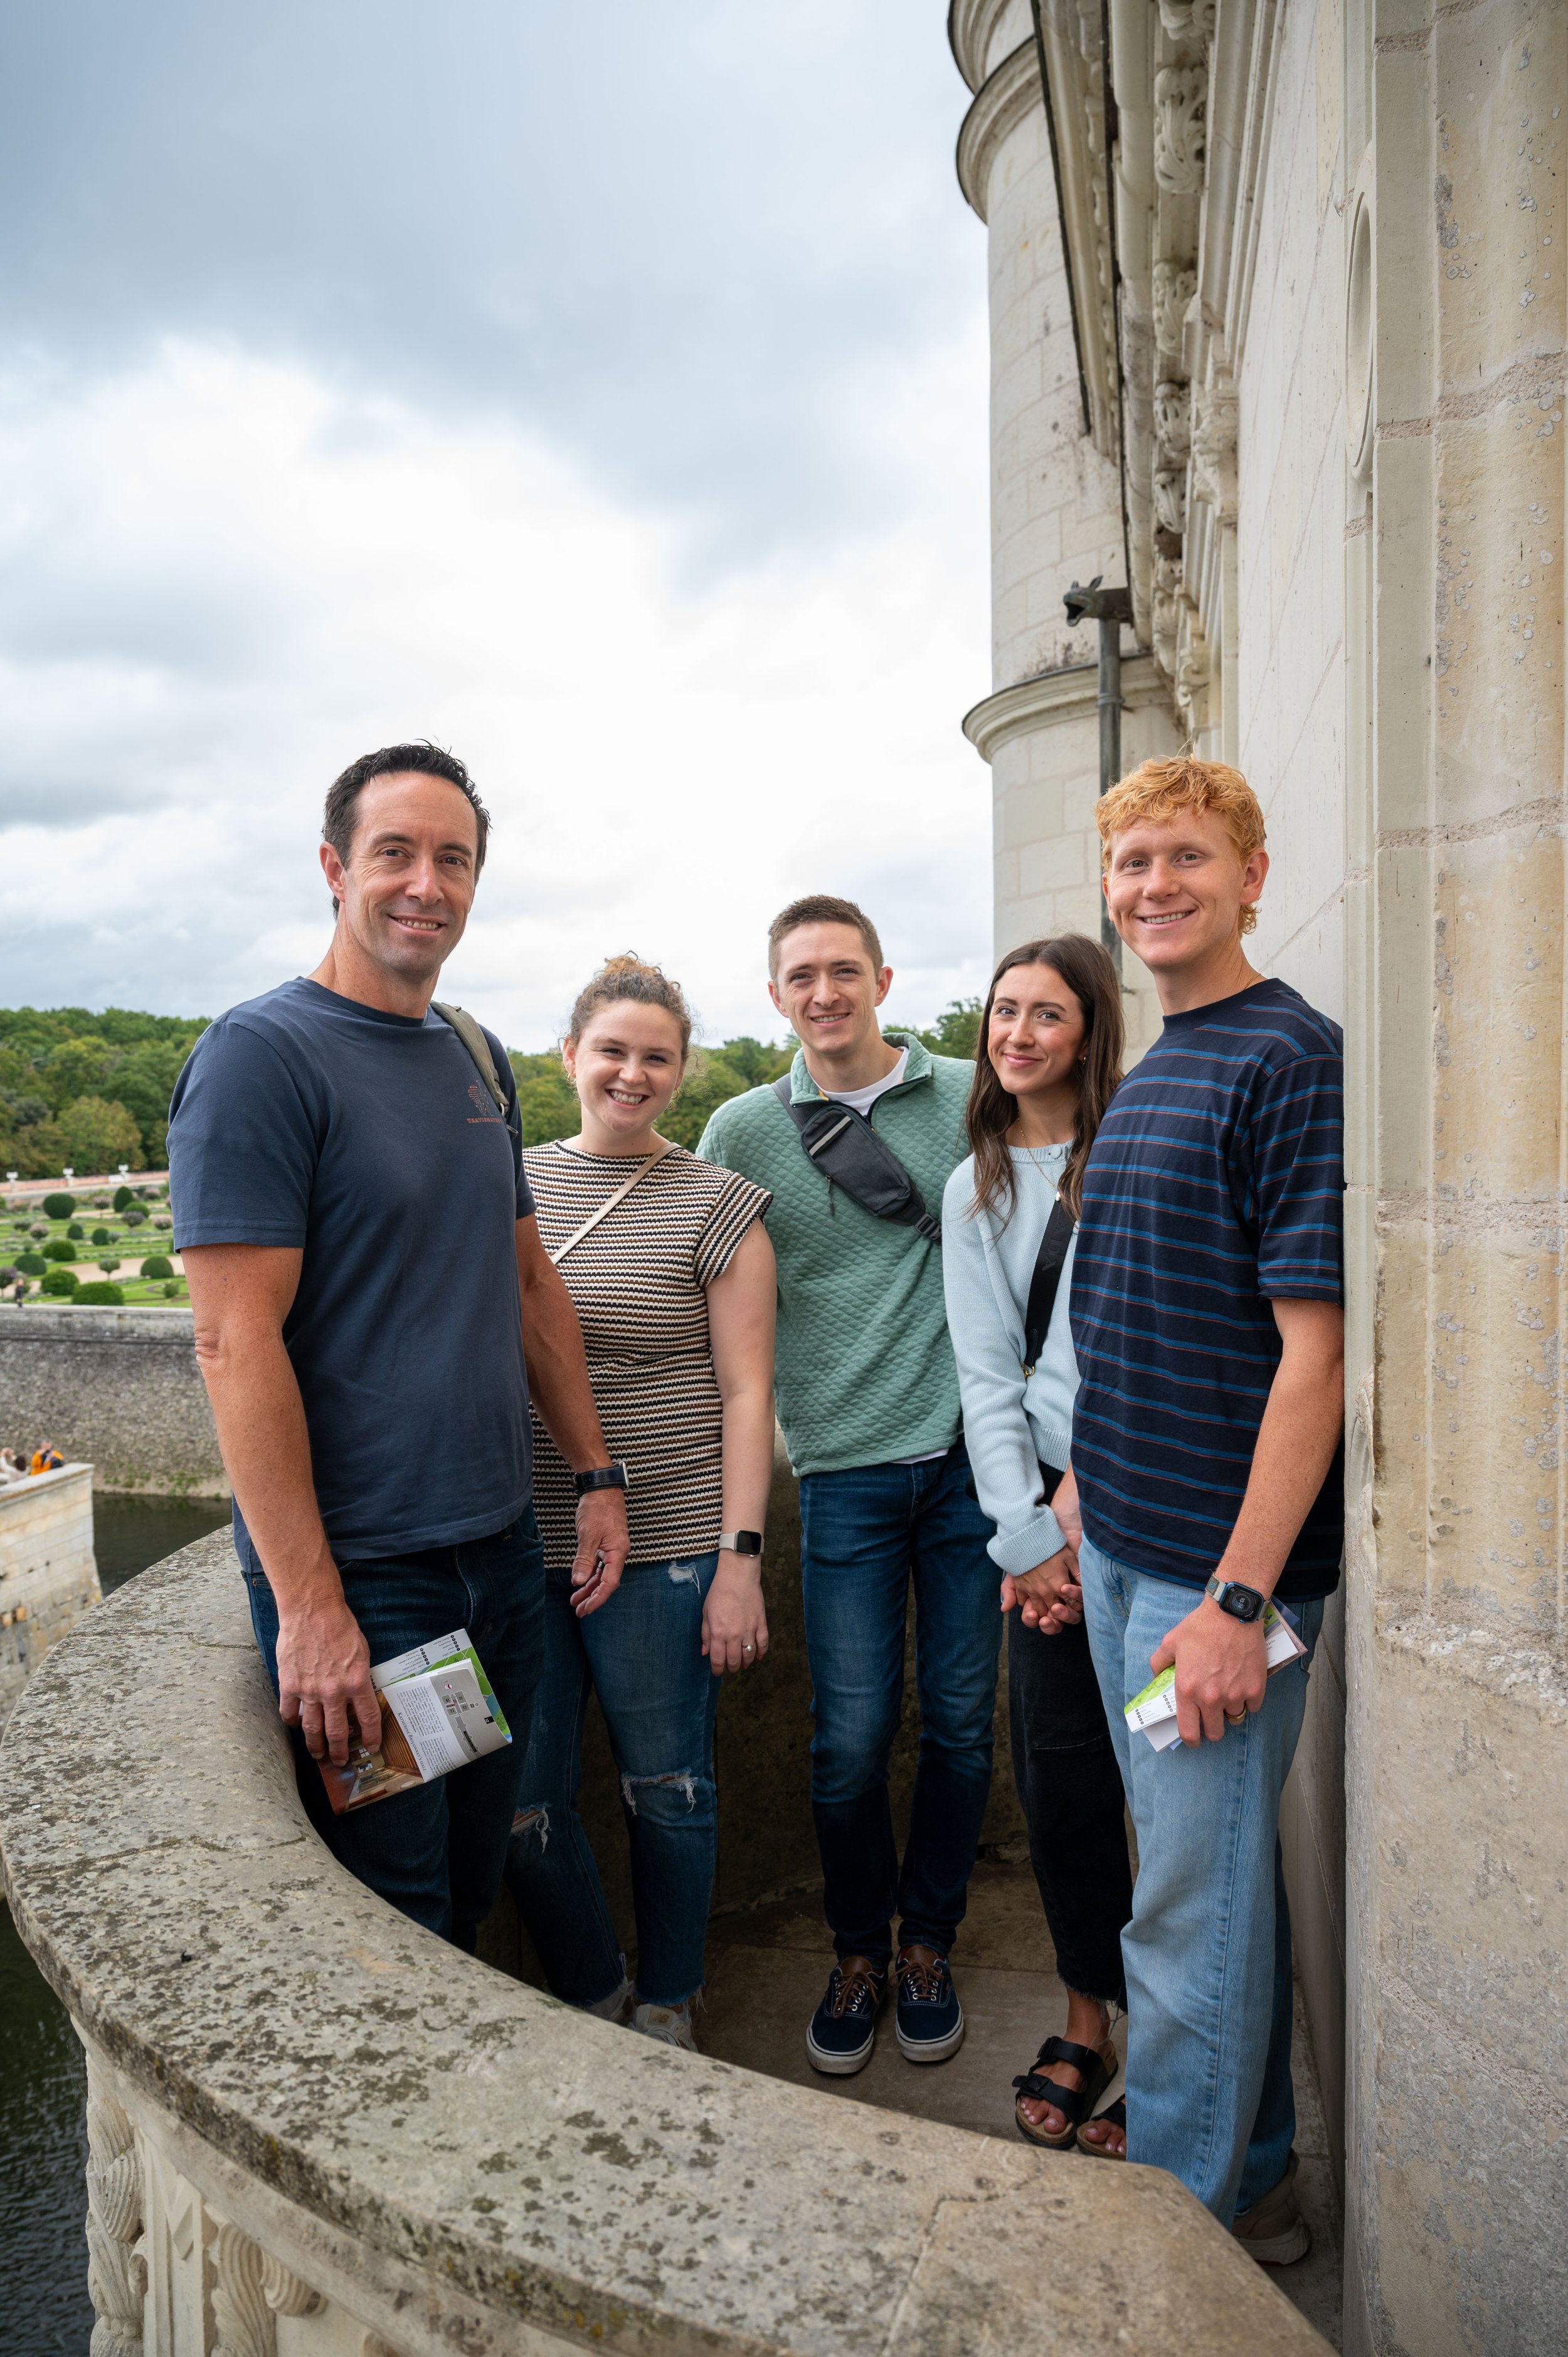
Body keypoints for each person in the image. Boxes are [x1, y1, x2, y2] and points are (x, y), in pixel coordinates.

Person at [168, 742, 630, 1951]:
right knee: (399, 1911)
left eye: (454, 859)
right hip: (377, 1583)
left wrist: (596, 1474)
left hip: (499, 1558)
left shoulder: (471, 1053)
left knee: (470, 1878)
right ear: (334, 868)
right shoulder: (261, 1057)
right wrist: (315, 1609)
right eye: (395, 853)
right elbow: (232, 1341)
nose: (427, 884)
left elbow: (527, 1283)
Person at [1065, 756, 1343, 2270]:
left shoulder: (1288, 1058)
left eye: (1184, 857)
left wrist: (1238, 1602)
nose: (1153, 886)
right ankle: (1257, 2182)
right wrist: (1078, 1484)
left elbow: (1318, 1357)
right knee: (1204, 1893)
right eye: (1130, 863)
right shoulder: (1162, 1059)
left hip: (1208, 1585)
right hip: (1125, 1554)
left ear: (1249, 874)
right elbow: (1141, 1310)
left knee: (1179, 1919)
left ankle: (1165, 2270)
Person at [697, 894, 997, 2073]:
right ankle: (859, 1950)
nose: (824, 993)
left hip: (975, 1467)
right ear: (775, 995)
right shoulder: (742, 1129)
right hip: (842, 1473)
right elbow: (699, 1289)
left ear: (883, 978)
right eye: (801, 976)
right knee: (852, 1738)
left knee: (963, 1725)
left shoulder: (970, 1091)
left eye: (843, 970)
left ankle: (929, 1945)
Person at [505, 955, 776, 2052]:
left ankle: (668, 2002)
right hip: (518, 1538)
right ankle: (593, 1989)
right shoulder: (511, 1182)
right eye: (611, 1050)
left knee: (667, 1786)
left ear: (682, 1071)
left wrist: (740, 1560)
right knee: (523, 1801)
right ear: (570, 1055)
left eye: (656, 1056)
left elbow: (749, 1392)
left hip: (665, 1540)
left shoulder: (717, 1203)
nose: (632, 1073)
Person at [940, 935, 1133, 2148]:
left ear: (1089, 1030)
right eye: (1003, 1011)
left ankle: (1182, 2036)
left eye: (1046, 1013)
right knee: (1062, 1782)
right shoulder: (975, 1185)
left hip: (1142, 1495)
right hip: (1038, 1519)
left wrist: (1077, 1509)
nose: (1017, 1033)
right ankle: (1086, 2017)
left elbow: (1140, 1354)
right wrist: (1026, 1536)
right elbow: (986, 1374)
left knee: (1167, 1789)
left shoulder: (1130, 1153)